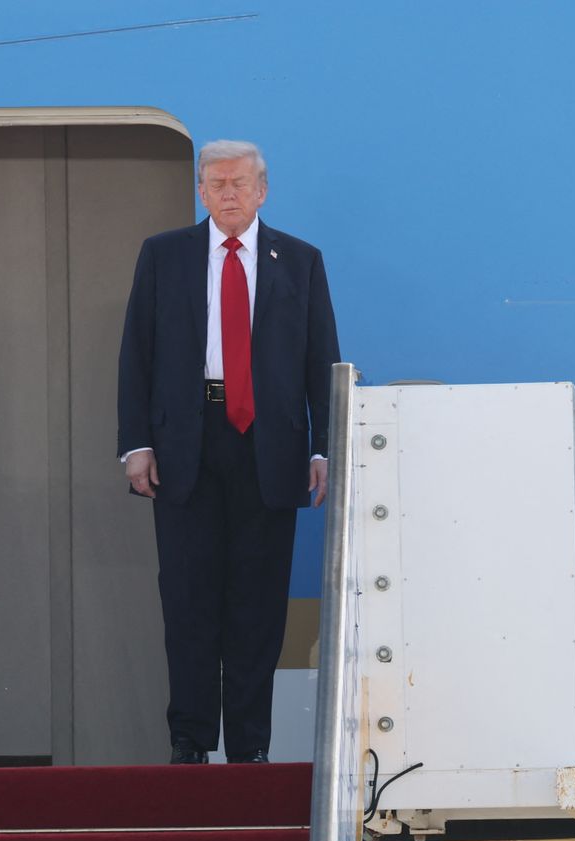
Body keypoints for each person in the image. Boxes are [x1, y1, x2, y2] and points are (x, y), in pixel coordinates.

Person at [117, 139, 340, 764]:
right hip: (187, 444)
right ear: (200, 190)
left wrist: (324, 448)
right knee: (187, 599)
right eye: (216, 184)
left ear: (262, 189)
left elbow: (320, 360)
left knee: (257, 605)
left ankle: (250, 750)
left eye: (240, 183)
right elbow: (136, 354)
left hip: (270, 450)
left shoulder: (300, 261)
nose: (229, 193)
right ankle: (189, 743)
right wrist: (137, 444)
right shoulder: (164, 256)